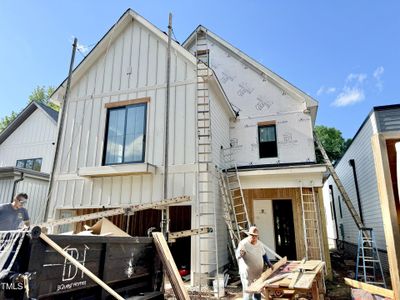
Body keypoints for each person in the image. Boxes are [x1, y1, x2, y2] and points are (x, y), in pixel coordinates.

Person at [236, 226, 273, 300]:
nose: (254, 238)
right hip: (247, 274)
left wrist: (269, 263)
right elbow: (237, 255)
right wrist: (240, 254)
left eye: (256, 236)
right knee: (248, 293)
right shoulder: (243, 244)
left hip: (258, 273)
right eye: (252, 236)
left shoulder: (259, 244)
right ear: (249, 235)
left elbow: (264, 254)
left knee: (257, 291)